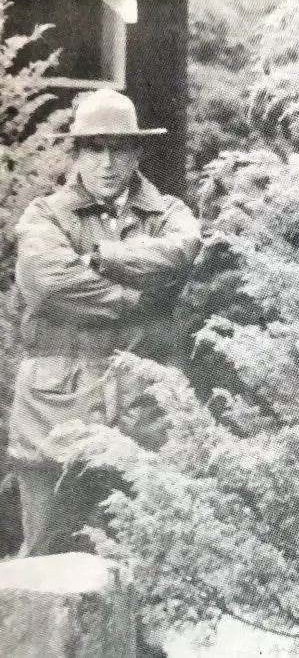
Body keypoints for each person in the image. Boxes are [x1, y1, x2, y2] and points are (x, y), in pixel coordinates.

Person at [8, 89, 201, 557]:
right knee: (49, 563)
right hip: (56, 411)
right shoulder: (44, 215)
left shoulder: (168, 213)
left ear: (137, 151)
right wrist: (135, 295)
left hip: (142, 411)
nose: (107, 162)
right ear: (76, 154)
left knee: (147, 563)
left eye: (119, 147)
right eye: (94, 148)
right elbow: (47, 283)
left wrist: (97, 258)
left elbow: (179, 255)